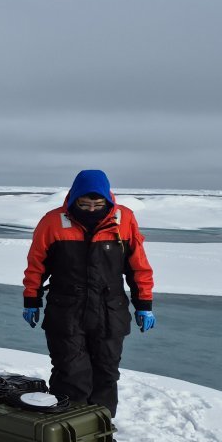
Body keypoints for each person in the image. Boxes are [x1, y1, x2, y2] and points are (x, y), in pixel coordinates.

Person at [22, 169, 155, 417]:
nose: (91, 210)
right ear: (74, 200)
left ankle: (100, 431)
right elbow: (36, 265)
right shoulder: (52, 222)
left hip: (109, 311)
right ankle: (67, 428)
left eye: (97, 204)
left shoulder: (124, 220)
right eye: (84, 204)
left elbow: (138, 266)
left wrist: (144, 304)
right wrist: (32, 300)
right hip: (66, 311)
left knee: (106, 372)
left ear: (108, 199)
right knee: (71, 372)